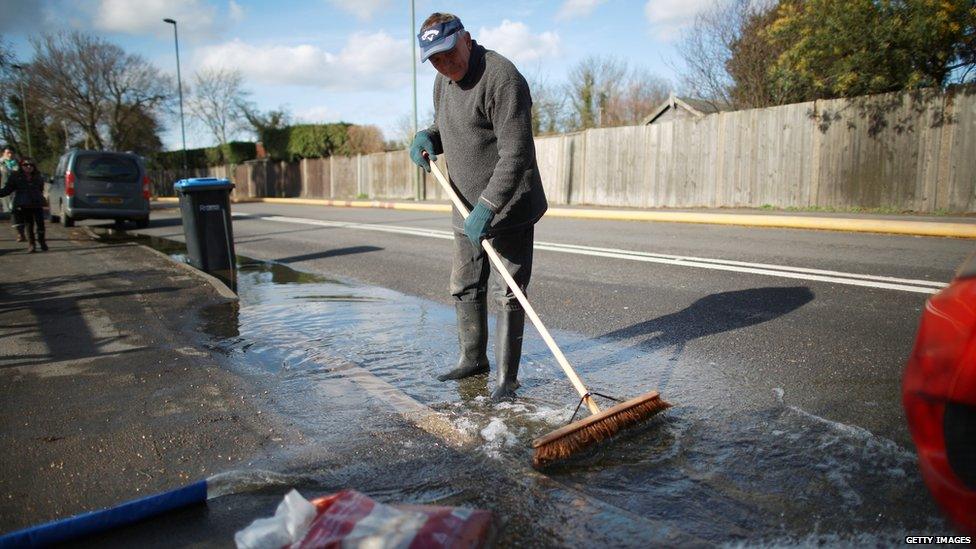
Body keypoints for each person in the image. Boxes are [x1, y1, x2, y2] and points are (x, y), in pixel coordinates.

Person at [409, 13, 548, 401]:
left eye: (449, 53)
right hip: (463, 203)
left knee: (509, 292)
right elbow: (452, 129)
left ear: (466, 39)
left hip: (507, 207)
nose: (444, 64)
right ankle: (473, 359)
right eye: (434, 59)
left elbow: (516, 152)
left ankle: (507, 379)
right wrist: (427, 138)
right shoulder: (444, 81)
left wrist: (488, 207)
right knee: (465, 285)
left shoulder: (502, 78)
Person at [0, 157, 47, 252]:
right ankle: (32, 244)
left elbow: (40, 189)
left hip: (37, 203)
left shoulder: (38, 176)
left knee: (40, 224)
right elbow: (8, 189)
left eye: (31, 165)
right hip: (24, 204)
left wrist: (40, 197)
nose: (28, 167)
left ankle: (42, 241)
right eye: (25, 165)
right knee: (29, 225)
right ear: (21, 166)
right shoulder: (16, 176)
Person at [1, 146, 25, 242]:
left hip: (19, 191)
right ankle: (20, 233)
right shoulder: (1, 164)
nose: (10, 155)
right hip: (5, 191)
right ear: (3, 154)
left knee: (19, 211)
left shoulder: (20, 164)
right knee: (13, 211)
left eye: (11, 153)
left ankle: (21, 232)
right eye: (8, 153)